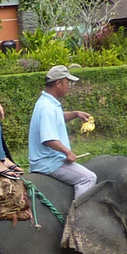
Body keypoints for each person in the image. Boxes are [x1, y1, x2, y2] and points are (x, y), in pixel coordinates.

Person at [27, 65, 96, 198]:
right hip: (49, 163)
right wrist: (67, 152)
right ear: (58, 83)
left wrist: (76, 114)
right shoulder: (47, 107)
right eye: (67, 82)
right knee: (88, 178)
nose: (68, 86)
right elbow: (48, 139)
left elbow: (59, 116)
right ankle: (77, 217)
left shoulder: (47, 102)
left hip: (48, 161)